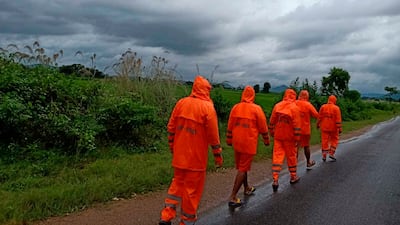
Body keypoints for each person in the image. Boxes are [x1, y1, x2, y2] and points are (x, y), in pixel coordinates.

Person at [159, 75, 223, 225]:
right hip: (196, 159)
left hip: (179, 156)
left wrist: (172, 147)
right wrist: (218, 155)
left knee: (176, 186)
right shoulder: (208, 108)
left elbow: (171, 128)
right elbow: (213, 136)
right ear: (206, 90)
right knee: (191, 192)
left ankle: (166, 216)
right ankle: (187, 221)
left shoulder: (181, 103)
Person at [226, 86, 270, 208]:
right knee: (243, 168)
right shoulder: (256, 109)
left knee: (242, 166)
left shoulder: (236, 108)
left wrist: (229, 139)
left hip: (237, 142)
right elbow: (263, 127)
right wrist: (266, 140)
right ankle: (233, 197)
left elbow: (230, 125)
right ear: (253, 96)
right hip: (248, 142)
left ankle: (246, 187)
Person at [269, 88, 301, 192]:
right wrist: (297, 138)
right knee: (291, 156)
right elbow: (297, 125)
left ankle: (275, 179)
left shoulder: (277, 106)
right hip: (289, 137)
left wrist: (272, 132)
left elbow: (272, 121)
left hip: (278, 135)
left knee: (277, 156)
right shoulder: (295, 108)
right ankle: (293, 176)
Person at [295, 90, 319, 169]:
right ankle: (308, 162)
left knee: (295, 147)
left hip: (295, 130)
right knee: (306, 146)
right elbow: (316, 115)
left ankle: (293, 165)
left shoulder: (294, 103)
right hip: (305, 130)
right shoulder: (308, 105)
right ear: (307, 96)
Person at [317, 95, 342, 162]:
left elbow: (319, 117)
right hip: (333, 128)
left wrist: (317, 124)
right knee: (335, 140)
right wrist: (339, 128)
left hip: (324, 127)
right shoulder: (336, 108)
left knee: (324, 141)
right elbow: (338, 120)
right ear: (334, 100)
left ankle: (324, 155)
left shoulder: (323, 107)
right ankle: (331, 153)